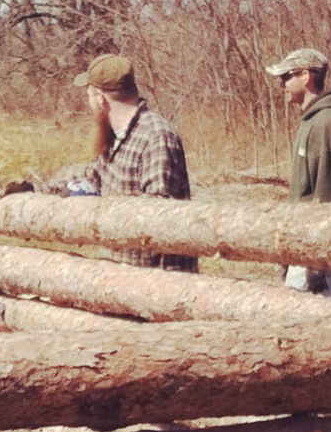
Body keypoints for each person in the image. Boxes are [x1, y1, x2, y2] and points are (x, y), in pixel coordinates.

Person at [10, 54, 197, 271]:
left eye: (89, 95)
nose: (88, 103)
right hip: (119, 274)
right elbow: (87, 183)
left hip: (155, 279)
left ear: (101, 99)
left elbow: (160, 211)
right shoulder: (115, 136)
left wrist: (102, 210)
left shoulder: (156, 136)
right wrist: (35, 190)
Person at [264, 46, 331, 299]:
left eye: (287, 77)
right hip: (309, 249)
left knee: (294, 329)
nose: (282, 85)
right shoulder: (314, 120)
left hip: (317, 253)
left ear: (306, 77)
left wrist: (316, 268)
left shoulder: (327, 124)